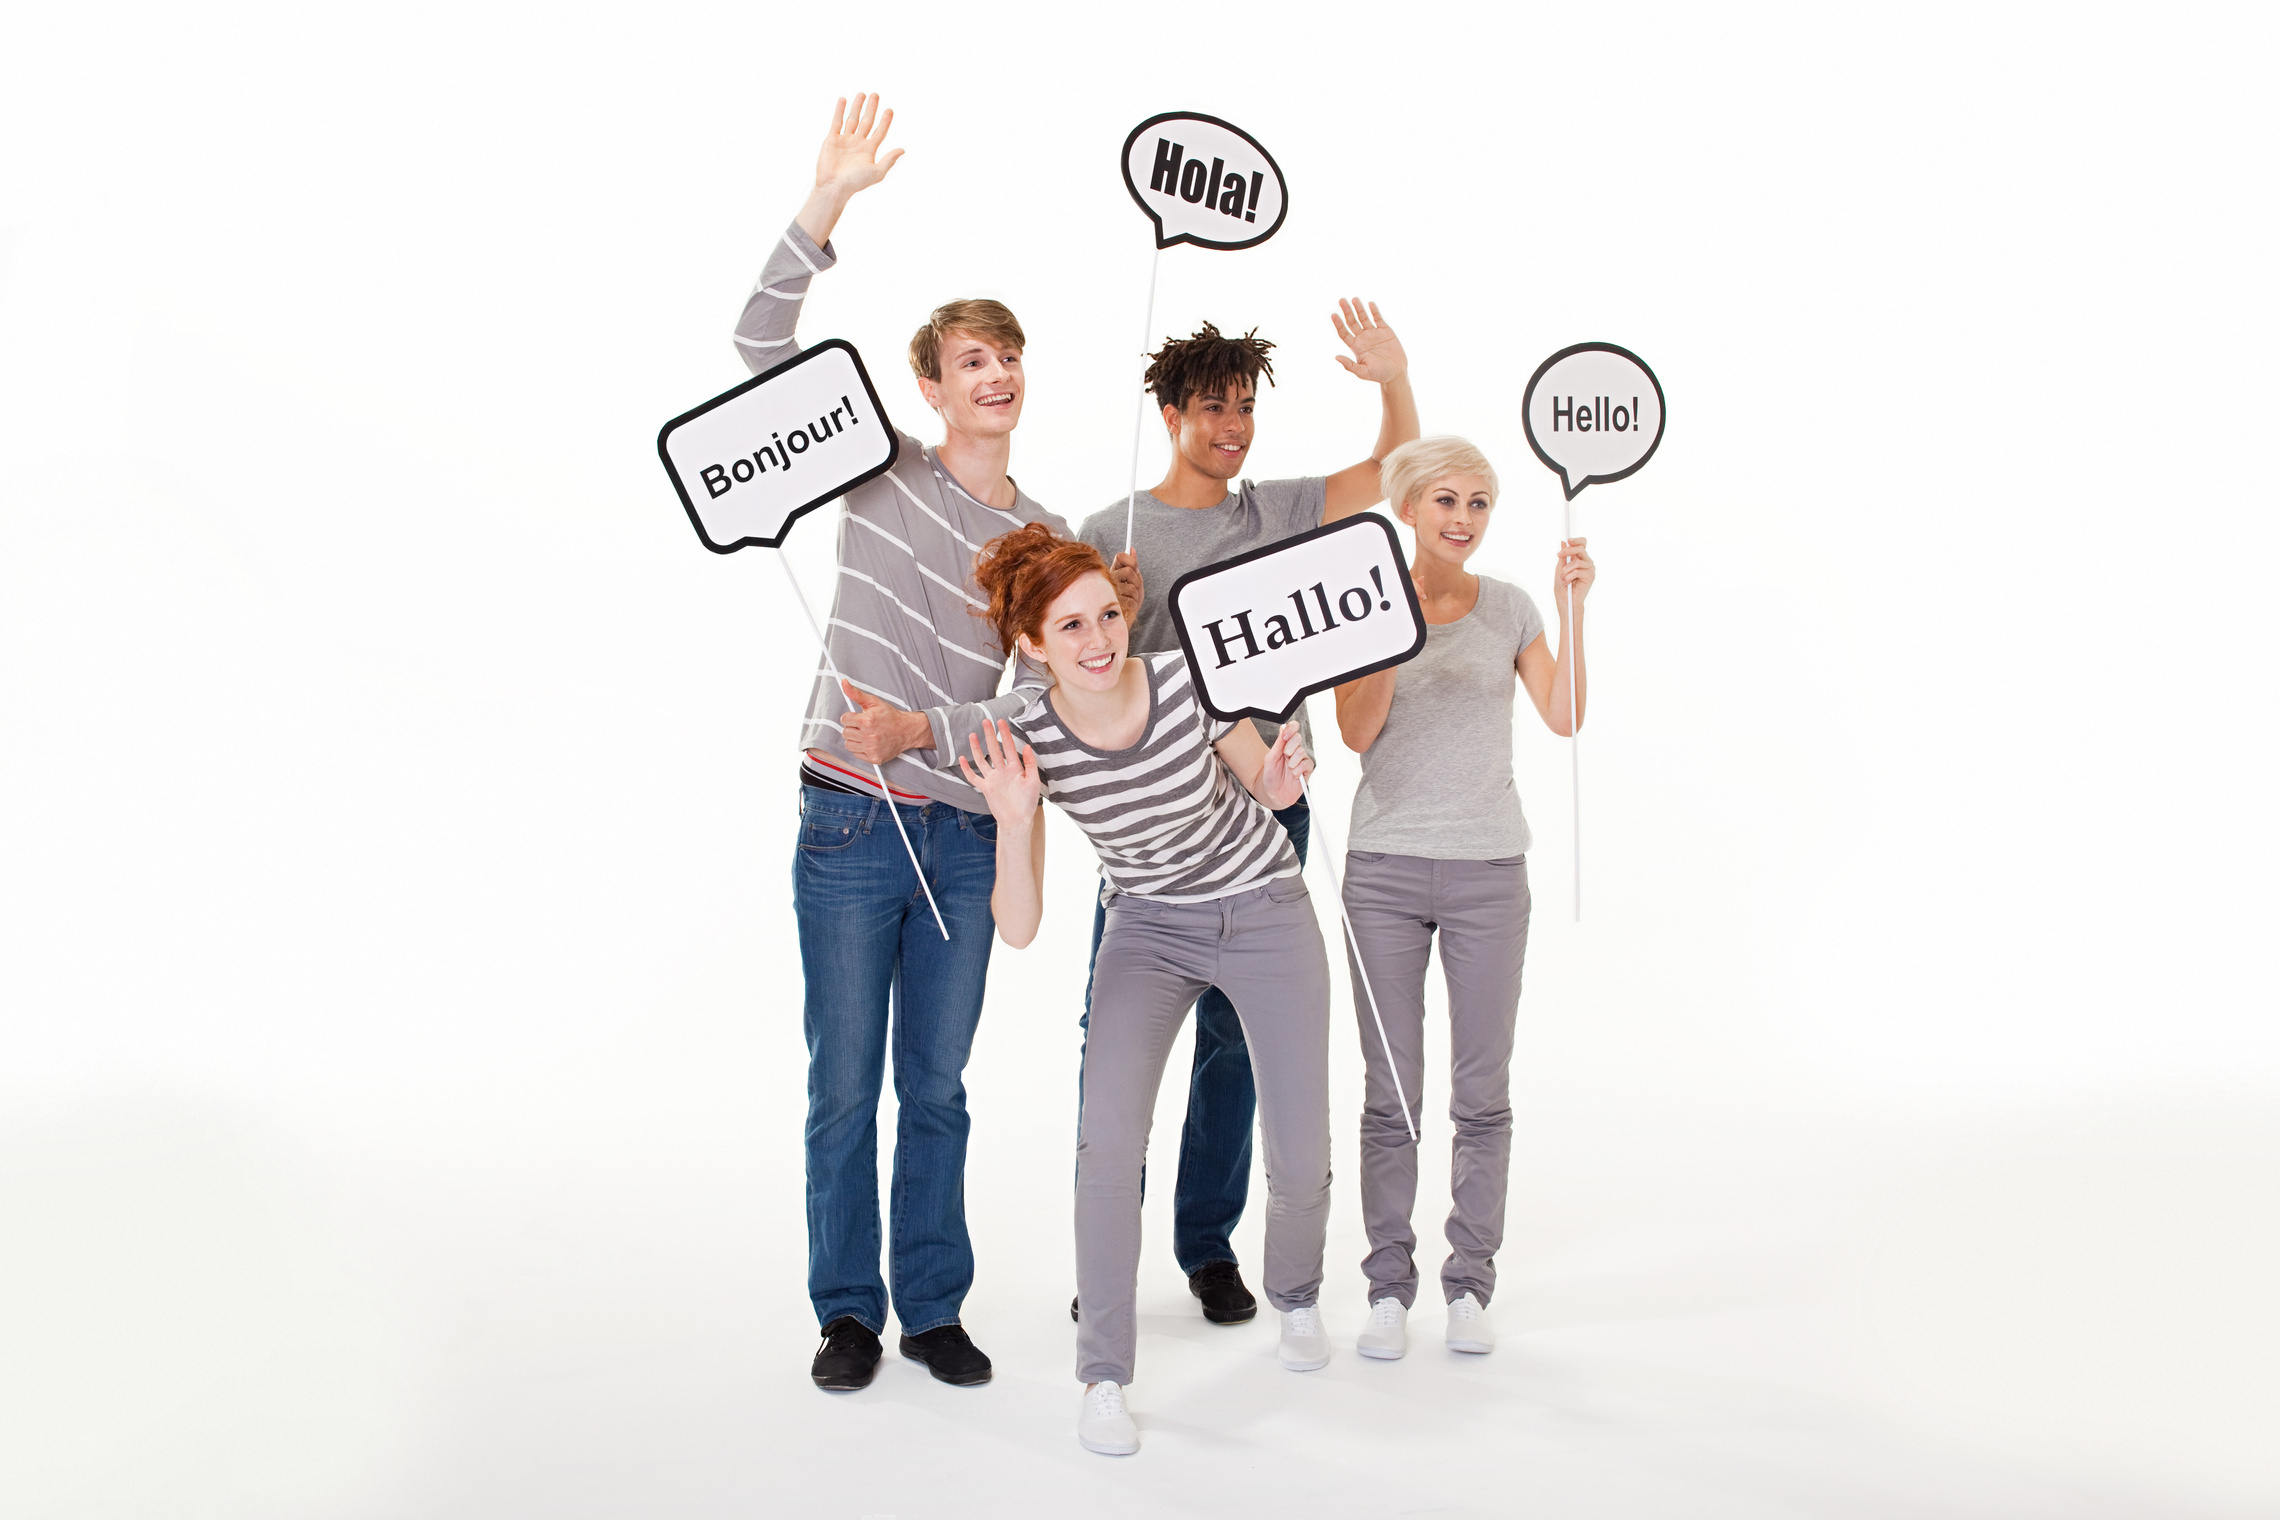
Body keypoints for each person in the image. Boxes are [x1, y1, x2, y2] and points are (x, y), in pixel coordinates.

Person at [734, 95, 1073, 1394]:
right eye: (970, 361)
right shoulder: (876, 467)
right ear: (930, 386)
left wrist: (932, 727)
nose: (995, 376)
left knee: (935, 1088)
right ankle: (847, 1314)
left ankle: (931, 1303)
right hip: (848, 821)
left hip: (961, 830)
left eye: (1009, 358)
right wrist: (829, 199)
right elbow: (760, 341)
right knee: (844, 1087)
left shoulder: (1043, 542)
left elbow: (1044, 708)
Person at [1062, 311, 1418, 1324]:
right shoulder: (1111, 531)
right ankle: (1104, 1260)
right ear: (1170, 413)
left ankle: (1206, 1243)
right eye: (1213, 406)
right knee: (1114, 1043)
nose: (1234, 425)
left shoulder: (1283, 509)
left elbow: (1393, 466)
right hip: (1154, 829)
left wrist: (1393, 377)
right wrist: (1119, 614)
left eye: (1247, 407)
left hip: (1268, 819)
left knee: (1233, 1043)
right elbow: (1074, 670)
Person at [953, 524, 1334, 1456]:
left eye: (1109, 615)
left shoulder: (1182, 680)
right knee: (1107, 1143)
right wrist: (1012, 817)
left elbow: (1267, 786)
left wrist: (1283, 777)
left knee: (1300, 1141)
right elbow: (1021, 923)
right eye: (1071, 626)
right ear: (1032, 645)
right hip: (1149, 930)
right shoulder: (1025, 731)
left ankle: (1295, 1296)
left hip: (1262, 904)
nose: (1099, 640)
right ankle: (1104, 1376)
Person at [1328, 436, 1594, 1360]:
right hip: (1385, 868)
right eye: (1446, 500)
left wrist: (1574, 611)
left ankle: (1470, 1285)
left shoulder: (1513, 606)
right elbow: (1358, 735)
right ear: (1408, 507)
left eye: (1479, 503)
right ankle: (1387, 1289)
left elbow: (1564, 714)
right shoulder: (1368, 605)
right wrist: (1392, 630)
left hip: (1488, 871)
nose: (1463, 520)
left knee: (1482, 1093)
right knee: (1390, 1094)